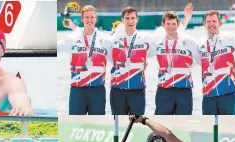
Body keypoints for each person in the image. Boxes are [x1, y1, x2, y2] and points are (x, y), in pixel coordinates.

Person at [64, 4, 193, 115]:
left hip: (137, 90)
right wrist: (74, 27)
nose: (130, 21)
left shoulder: (146, 39)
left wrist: (185, 20)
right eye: (127, 18)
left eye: (132, 18)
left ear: (137, 20)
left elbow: (169, 33)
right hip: (117, 90)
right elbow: (90, 38)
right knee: (118, 124)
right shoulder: (112, 40)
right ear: (122, 20)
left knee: (137, 123)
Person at [58, 5, 113, 115]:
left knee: (97, 124)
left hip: (97, 89)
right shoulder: (73, 37)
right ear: (82, 19)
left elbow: (115, 61)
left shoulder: (106, 39)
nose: (90, 20)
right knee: (74, 124)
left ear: (96, 19)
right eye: (87, 17)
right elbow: (56, 47)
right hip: (77, 89)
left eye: (92, 17)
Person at [197, 10, 235, 115]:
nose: (211, 24)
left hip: (229, 94)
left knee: (230, 129)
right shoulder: (200, 45)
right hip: (208, 96)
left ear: (220, 23)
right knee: (209, 130)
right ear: (204, 24)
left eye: (214, 21)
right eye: (208, 21)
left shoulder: (229, 39)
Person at [153, 11, 200, 115]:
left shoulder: (189, 41)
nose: (171, 27)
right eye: (168, 24)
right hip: (163, 89)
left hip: (184, 89)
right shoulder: (157, 43)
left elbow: (199, 60)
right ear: (163, 25)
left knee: (184, 121)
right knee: (162, 122)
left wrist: (186, 66)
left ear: (178, 25)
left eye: (174, 24)